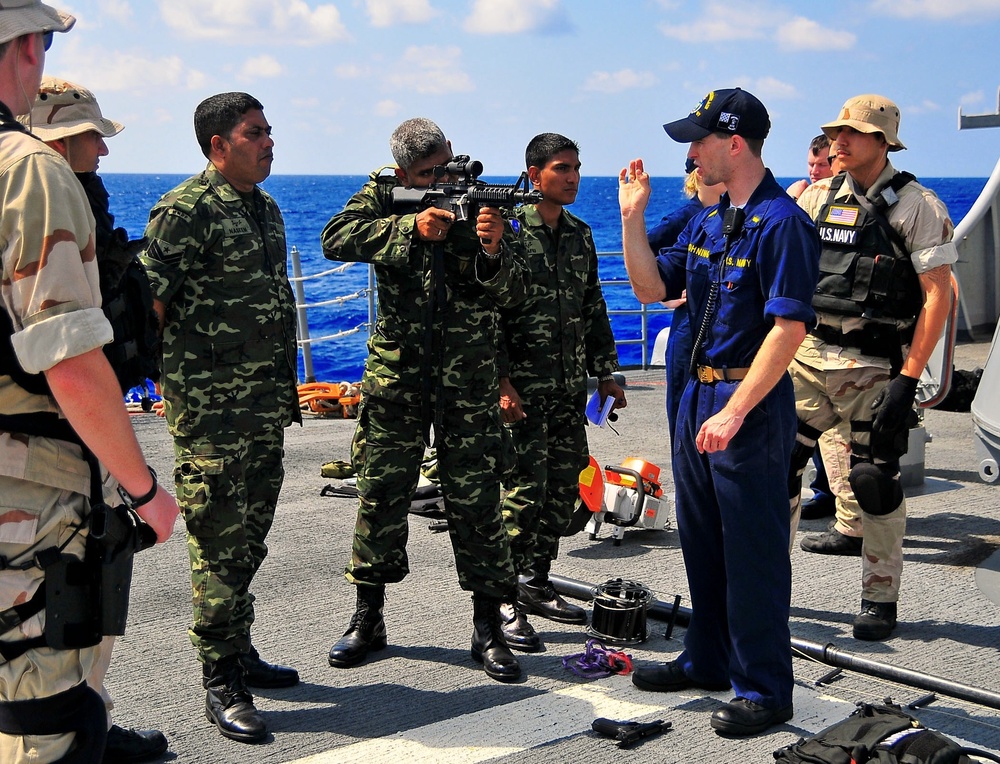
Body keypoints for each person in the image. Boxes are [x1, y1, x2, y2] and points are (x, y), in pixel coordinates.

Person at [0, 5, 179, 763]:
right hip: (31, 477)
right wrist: (143, 489)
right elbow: (67, 359)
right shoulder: (27, 170)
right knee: (45, 719)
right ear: (23, 47)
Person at [618, 88, 820, 736]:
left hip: (746, 406)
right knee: (702, 540)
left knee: (754, 553)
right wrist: (631, 219)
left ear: (734, 144)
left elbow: (787, 329)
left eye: (699, 140)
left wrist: (733, 411)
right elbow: (653, 288)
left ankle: (763, 687)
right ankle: (707, 658)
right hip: (694, 397)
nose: (690, 151)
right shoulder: (712, 219)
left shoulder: (782, 224)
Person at [321, 117, 530, 683]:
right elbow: (335, 236)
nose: (441, 179)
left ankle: (488, 626)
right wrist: (411, 228)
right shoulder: (384, 196)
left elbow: (514, 291)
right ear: (402, 174)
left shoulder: (485, 203)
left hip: (468, 379)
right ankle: (368, 618)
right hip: (398, 377)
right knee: (381, 493)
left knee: (478, 500)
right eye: (427, 174)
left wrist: (491, 249)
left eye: (445, 167)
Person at [140, 92, 301, 743]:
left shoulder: (264, 208)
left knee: (251, 536)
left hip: (263, 407)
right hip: (211, 414)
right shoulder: (185, 210)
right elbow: (147, 305)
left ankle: (240, 648)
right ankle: (220, 678)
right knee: (216, 541)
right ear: (217, 145)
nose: (268, 141)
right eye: (254, 132)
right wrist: (156, 385)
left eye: (268, 131)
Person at [787, 95, 956, 640]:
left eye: (854, 133)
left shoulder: (917, 206)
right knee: (778, 467)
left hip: (873, 366)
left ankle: (879, 597)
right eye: (837, 131)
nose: (840, 140)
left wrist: (909, 380)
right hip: (808, 358)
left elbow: (937, 296)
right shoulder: (816, 198)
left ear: (883, 142)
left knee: (872, 478)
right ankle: (769, 583)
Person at [496, 133, 626, 652]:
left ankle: (536, 580)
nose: (572, 176)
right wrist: (501, 381)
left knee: (564, 488)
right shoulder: (505, 234)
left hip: (568, 388)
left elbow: (592, 306)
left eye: (576, 167)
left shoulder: (580, 234)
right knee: (521, 494)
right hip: (522, 391)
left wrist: (608, 372)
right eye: (560, 168)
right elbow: (490, 315)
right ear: (533, 175)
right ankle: (502, 600)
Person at [647, 159, 724, 438]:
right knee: (683, 412)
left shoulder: (729, 214)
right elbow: (646, 244)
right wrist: (665, 296)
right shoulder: (687, 216)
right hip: (687, 325)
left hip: (716, 328)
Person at [786, 134, 832, 200]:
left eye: (822, 165)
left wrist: (794, 200)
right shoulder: (804, 193)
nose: (814, 171)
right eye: (811, 164)